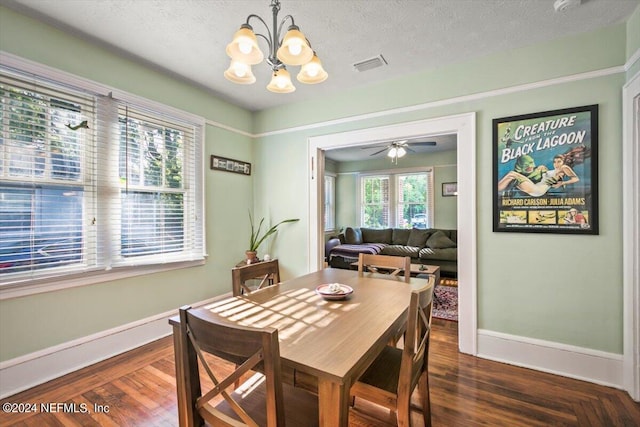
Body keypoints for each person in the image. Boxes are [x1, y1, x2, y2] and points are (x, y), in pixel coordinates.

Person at [498, 154, 579, 197]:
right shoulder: (553, 171)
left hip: (537, 190)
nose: (556, 164)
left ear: (563, 162)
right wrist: (542, 169)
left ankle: (495, 190)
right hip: (535, 187)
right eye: (555, 162)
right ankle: (497, 190)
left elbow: (575, 179)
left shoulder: (564, 168)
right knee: (512, 178)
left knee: (512, 174)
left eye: (559, 161)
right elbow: (546, 176)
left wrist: (562, 183)